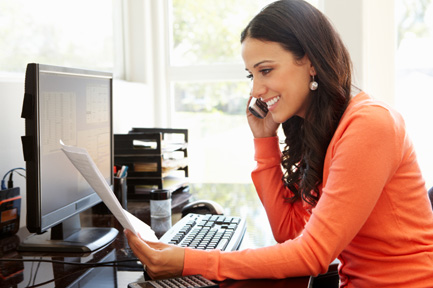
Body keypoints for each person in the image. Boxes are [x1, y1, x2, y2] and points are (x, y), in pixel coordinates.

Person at [125, 0, 433, 286]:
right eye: (251, 76)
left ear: (310, 62)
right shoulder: (320, 127)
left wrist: (189, 261)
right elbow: (291, 232)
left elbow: (312, 254)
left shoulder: (369, 125)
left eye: (266, 70)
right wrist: (264, 140)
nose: (256, 90)